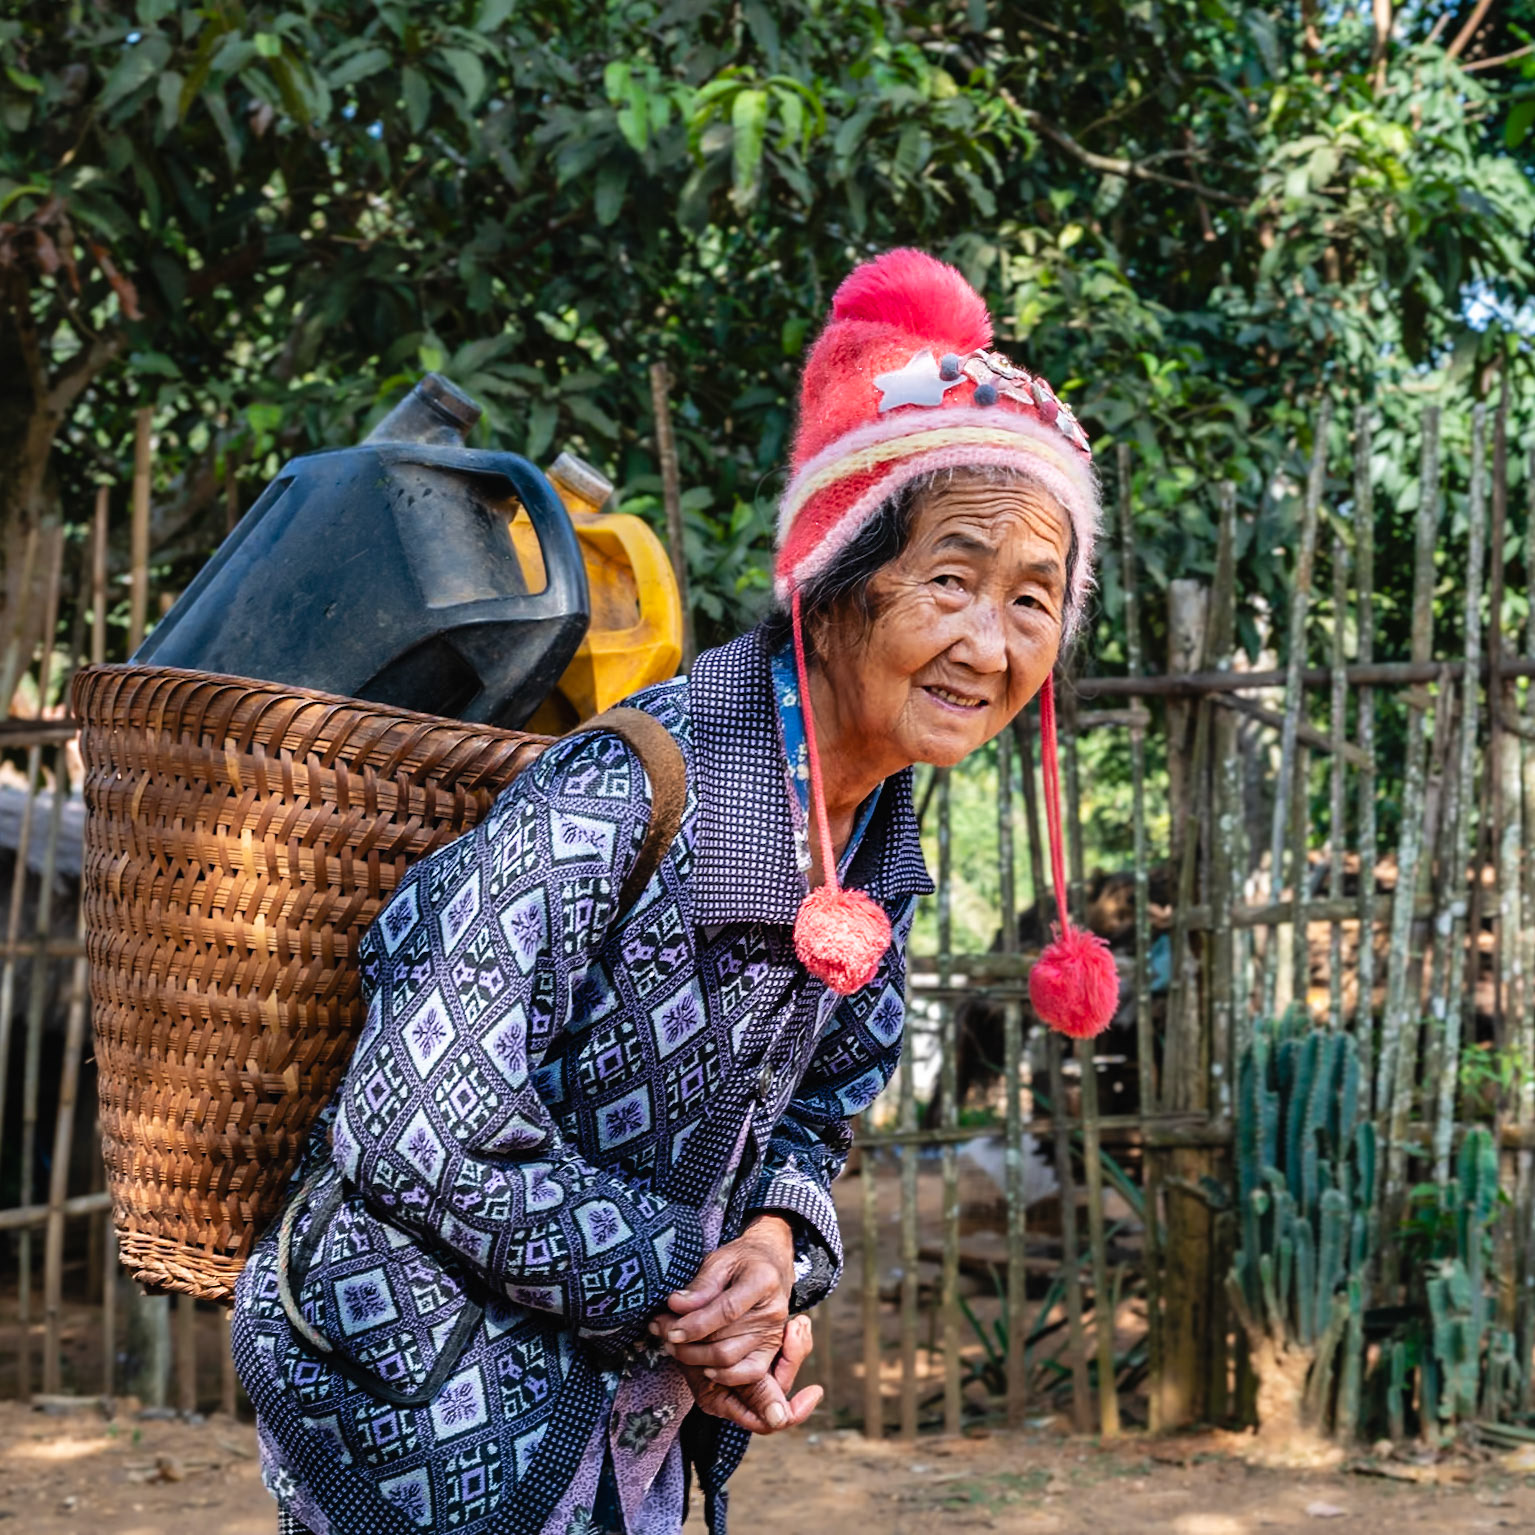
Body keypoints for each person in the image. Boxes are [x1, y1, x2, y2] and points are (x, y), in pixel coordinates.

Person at [231, 247, 1110, 1535]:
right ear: (835, 577)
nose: (989, 644)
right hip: (422, 1400)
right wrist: (686, 1280)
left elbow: (817, 1117)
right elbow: (413, 1124)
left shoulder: (876, 846)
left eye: (1034, 600)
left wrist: (772, 1255)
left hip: (612, 1421)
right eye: (950, 580)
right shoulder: (626, 791)